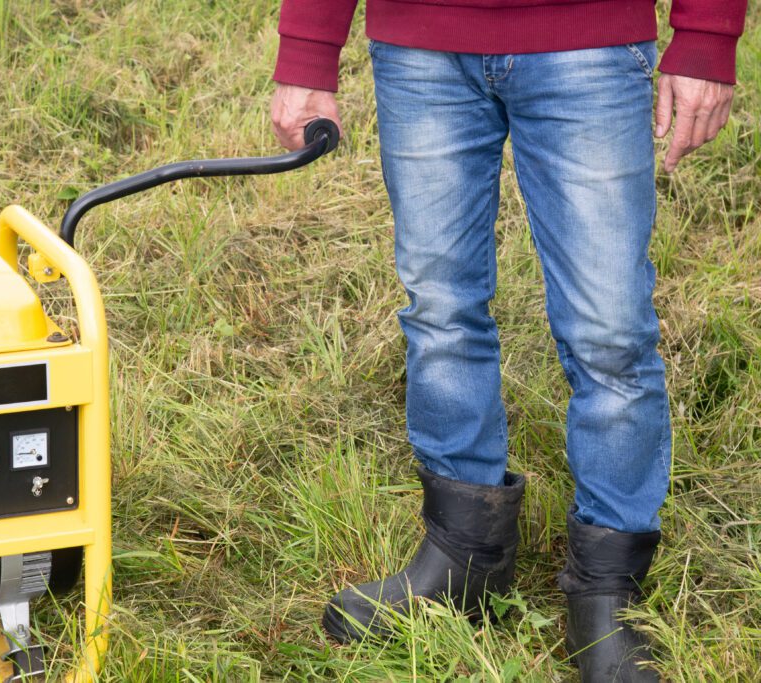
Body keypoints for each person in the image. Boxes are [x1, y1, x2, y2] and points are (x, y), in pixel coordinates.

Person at [269, 1, 747, 681]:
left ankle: (608, 589)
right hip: (421, 47)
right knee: (438, 308)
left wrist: (706, 33)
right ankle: (464, 555)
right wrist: (307, 52)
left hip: (591, 39)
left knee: (609, 332)